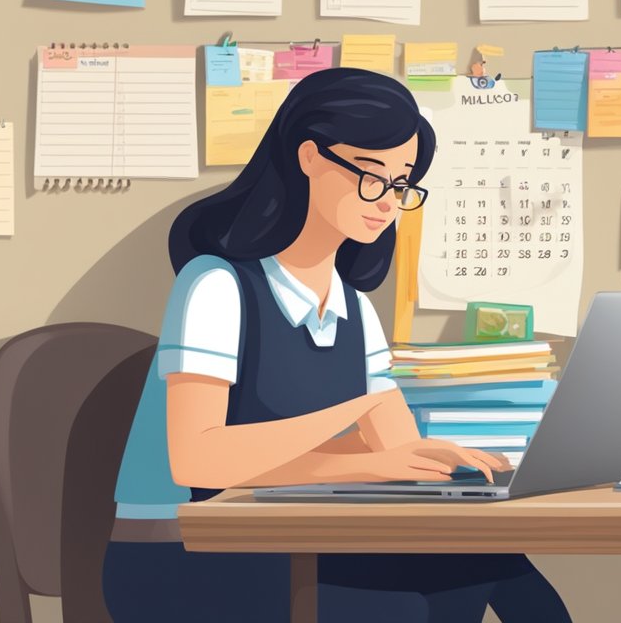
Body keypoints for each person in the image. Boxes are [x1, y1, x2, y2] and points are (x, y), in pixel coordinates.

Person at [103, 68, 571, 622]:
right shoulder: (216, 285)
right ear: (309, 157)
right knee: (412, 606)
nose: (388, 202)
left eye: (402, 184)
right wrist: (365, 434)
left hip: (291, 540)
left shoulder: (355, 308)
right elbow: (198, 459)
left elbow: (385, 455)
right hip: (180, 553)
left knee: (495, 569)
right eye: (371, 176)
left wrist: (442, 464)